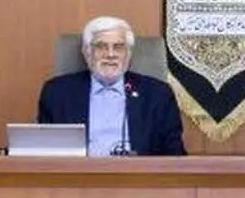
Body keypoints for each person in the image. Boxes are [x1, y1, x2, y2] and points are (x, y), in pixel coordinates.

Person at [37, 16, 187, 157]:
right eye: (101, 46)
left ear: (128, 54)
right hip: (78, 174)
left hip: (140, 174)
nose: (110, 54)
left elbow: (175, 155)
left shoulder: (158, 94)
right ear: (87, 52)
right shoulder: (57, 93)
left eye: (118, 47)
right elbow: (45, 153)